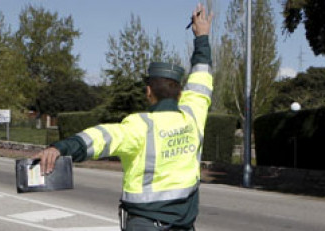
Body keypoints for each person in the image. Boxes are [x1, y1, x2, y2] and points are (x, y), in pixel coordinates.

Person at [30, 4, 213, 230]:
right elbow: (201, 74)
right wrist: (202, 37)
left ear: (148, 92)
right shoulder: (193, 116)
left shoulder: (140, 126)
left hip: (146, 225)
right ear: (181, 94)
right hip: (184, 225)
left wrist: (59, 148)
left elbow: (98, 138)